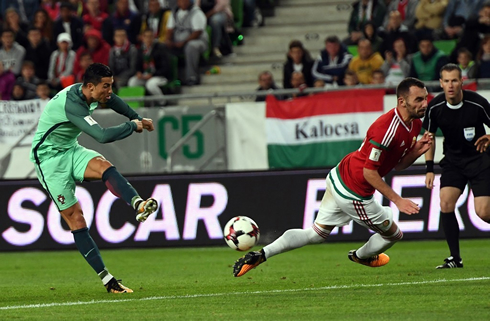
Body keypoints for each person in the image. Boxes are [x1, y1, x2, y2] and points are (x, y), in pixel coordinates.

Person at [233, 77, 433, 277]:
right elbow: (369, 172)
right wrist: (398, 200)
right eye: (418, 100)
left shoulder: (414, 125)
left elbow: (398, 164)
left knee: (315, 234)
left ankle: (261, 254)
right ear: (402, 101)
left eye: (424, 98)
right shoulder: (386, 129)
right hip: (354, 192)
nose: (424, 104)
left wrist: (417, 150)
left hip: (339, 175)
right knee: (393, 234)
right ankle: (361, 256)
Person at [29, 63, 159, 293]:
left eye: (111, 85)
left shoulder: (92, 93)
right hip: (48, 160)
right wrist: (132, 125)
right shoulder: (72, 104)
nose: (110, 91)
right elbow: (101, 135)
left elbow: (114, 101)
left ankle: (138, 204)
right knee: (76, 219)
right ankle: (108, 280)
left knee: (103, 166)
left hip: (70, 149)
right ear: (90, 86)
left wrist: (138, 116)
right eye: (106, 86)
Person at [423, 63, 490, 269]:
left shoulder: (477, 103)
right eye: (446, 81)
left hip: (480, 160)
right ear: (441, 83)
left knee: (484, 213)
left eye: (454, 80)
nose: (450, 85)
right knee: (445, 203)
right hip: (453, 162)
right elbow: (429, 138)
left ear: (462, 81)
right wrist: (429, 169)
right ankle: (455, 258)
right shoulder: (434, 107)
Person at [165, 0, 208, 86]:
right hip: (178, 41)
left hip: (197, 41)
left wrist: (184, 42)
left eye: (185, 1)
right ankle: (169, 79)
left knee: (191, 46)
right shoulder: (174, 13)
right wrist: (168, 40)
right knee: (163, 47)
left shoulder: (196, 12)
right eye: (181, 1)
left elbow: (197, 32)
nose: (183, 3)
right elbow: (170, 29)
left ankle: (192, 77)